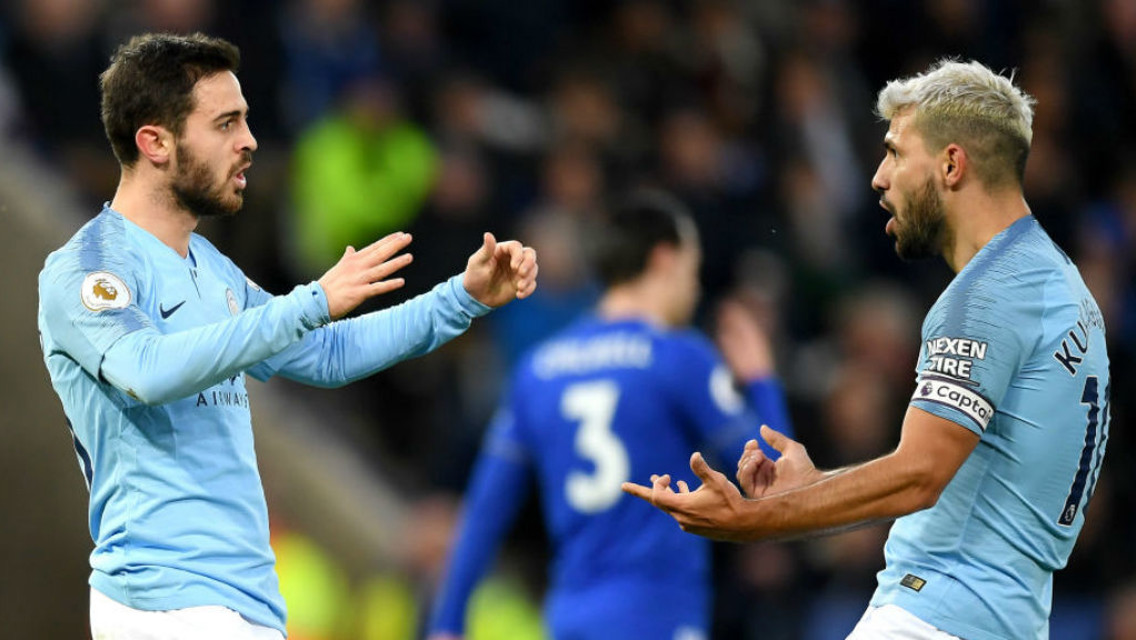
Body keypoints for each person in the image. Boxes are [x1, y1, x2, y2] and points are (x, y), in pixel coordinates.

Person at [36, 33, 537, 640]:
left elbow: (324, 354)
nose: (249, 142)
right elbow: (146, 372)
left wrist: (461, 299)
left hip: (240, 600)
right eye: (226, 123)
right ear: (156, 142)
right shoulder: (88, 268)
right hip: (164, 600)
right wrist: (310, 303)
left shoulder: (211, 268)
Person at [624, 59, 1111, 640]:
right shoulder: (1060, 286)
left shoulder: (985, 296)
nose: (879, 177)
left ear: (952, 164)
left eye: (896, 153)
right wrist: (812, 488)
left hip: (934, 616)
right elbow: (956, 474)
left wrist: (753, 520)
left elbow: (919, 475)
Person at [426, 191, 793, 640]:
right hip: (656, 616)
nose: (695, 288)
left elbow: (486, 509)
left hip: (570, 616)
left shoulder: (538, 370)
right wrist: (761, 380)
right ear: (664, 259)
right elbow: (779, 483)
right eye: (693, 270)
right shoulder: (678, 356)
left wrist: (447, 622)